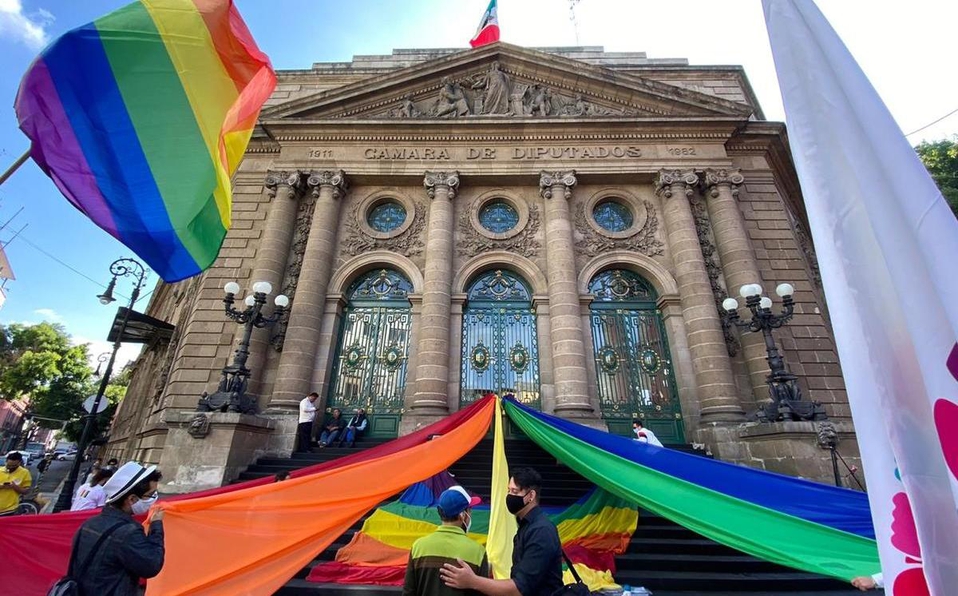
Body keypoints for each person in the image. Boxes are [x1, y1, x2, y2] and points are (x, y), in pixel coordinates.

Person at [441, 467, 563, 596]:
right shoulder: (526, 526)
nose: (509, 496)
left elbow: (519, 588)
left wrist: (473, 581)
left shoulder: (540, 531)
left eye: (514, 491)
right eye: (508, 491)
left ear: (531, 496)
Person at [70, 461, 165, 595]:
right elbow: (152, 566)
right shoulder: (128, 532)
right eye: (151, 494)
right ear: (132, 499)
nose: (154, 499)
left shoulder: (89, 523)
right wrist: (156, 526)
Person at [404, 485, 488, 596]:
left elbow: (409, 591)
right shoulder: (478, 552)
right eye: (469, 510)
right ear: (463, 515)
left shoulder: (418, 547)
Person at [0, 451, 32, 516]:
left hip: (9, 508)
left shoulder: (24, 472)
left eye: (14, 466)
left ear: (19, 463)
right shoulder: (0, 470)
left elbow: (26, 491)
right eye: (8, 465)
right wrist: (2, 486)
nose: (10, 467)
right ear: (6, 461)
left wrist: (15, 487)